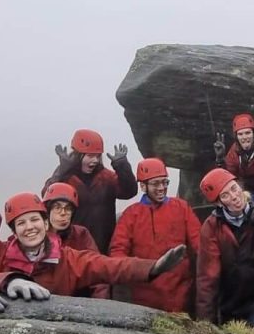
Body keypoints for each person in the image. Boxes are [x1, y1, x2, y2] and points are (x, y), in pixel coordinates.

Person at [0, 138, 186, 295]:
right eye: (21, 223)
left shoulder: (68, 259)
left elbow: (109, 267)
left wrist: (152, 267)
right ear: (13, 230)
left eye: (34, 220)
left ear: (44, 223)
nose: (30, 227)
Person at [108, 158, 201, 313]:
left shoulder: (182, 208)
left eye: (165, 182)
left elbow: (199, 244)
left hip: (181, 296)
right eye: (155, 183)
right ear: (143, 186)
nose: (161, 188)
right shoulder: (131, 215)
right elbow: (118, 252)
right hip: (144, 299)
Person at [196, 168, 254, 327]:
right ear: (218, 203)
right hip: (231, 303)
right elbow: (207, 278)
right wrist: (206, 324)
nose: (234, 196)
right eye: (225, 195)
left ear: (240, 186)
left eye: (234, 188)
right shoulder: (211, 228)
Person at [43, 129, 137, 254]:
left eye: (98, 156)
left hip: (104, 246)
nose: (95, 160)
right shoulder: (66, 178)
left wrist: (122, 166)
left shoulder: (106, 177)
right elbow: (46, 196)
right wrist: (62, 170)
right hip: (73, 246)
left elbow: (129, 192)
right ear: (78, 155)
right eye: (90, 156)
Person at [42, 182, 109, 299]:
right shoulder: (36, 236)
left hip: (78, 299)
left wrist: (100, 303)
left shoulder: (81, 234)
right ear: (48, 210)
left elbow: (98, 269)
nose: (63, 213)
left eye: (68, 209)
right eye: (57, 208)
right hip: (43, 298)